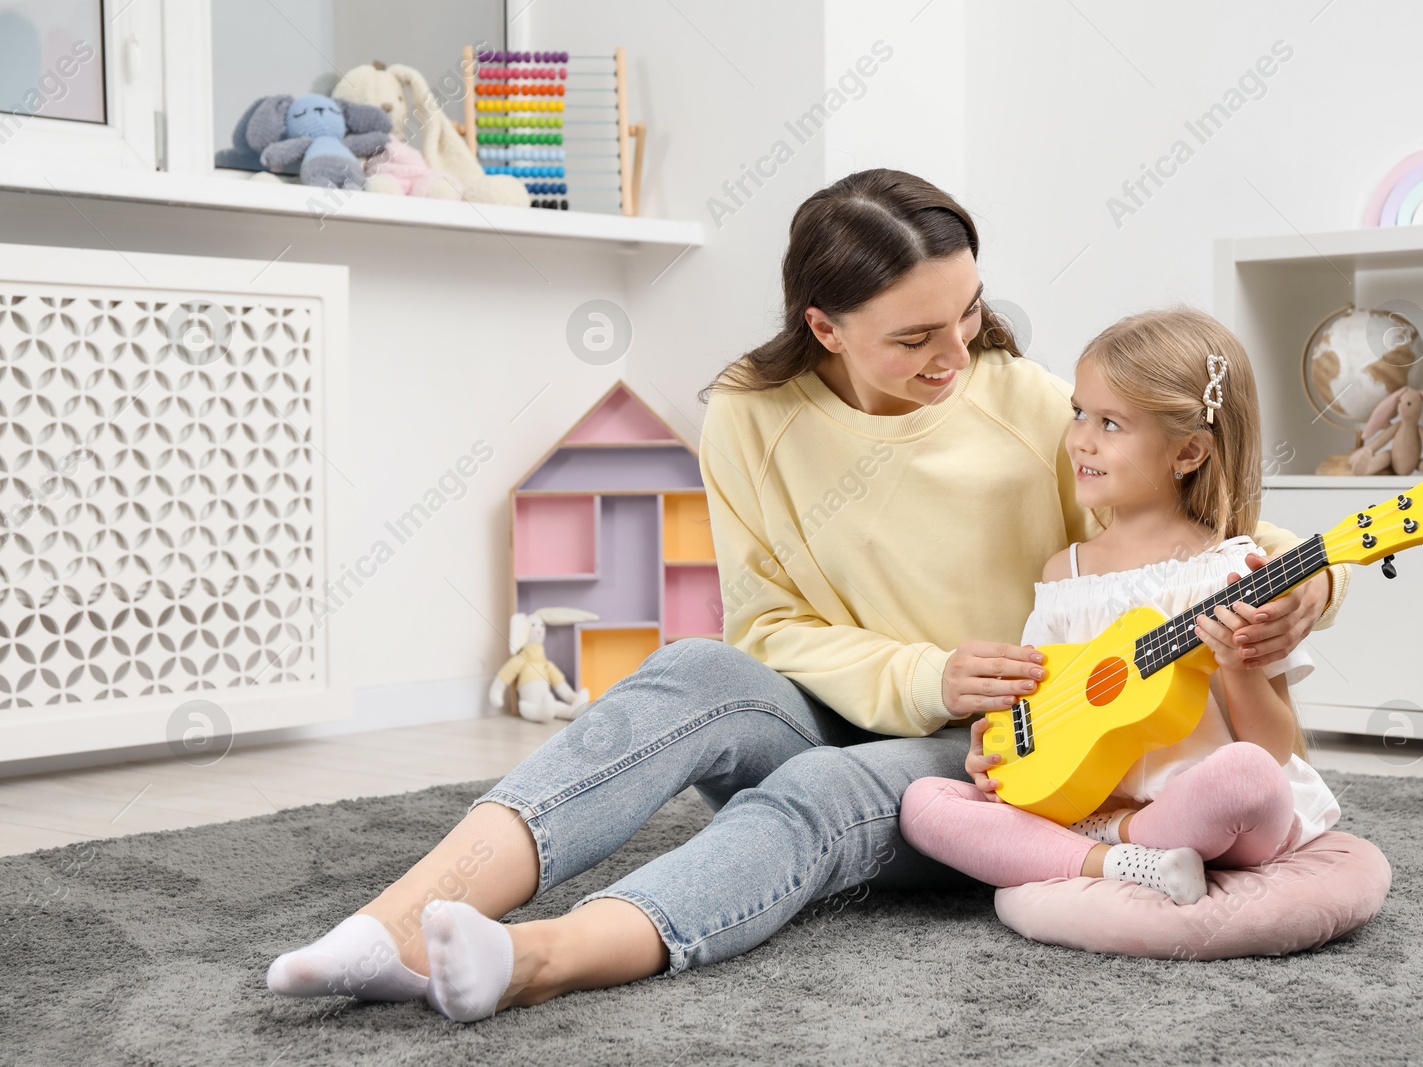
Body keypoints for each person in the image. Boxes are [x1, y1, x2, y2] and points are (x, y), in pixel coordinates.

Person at [263, 170, 1348, 1021]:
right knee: (689, 671)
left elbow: (1207, 528)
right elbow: (769, 623)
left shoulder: (1024, 399)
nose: (955, 354)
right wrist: (923, 671)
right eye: (915, 337)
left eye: (966, 315)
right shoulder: (751, 411)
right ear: (824, 327)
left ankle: (545, 957)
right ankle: (392, 923)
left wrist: (1316, 583)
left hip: (1002, 749)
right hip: (851, 697)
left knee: (827, 791)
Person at [899, 307, 1341, 908]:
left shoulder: (1230, 572)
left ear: (1188, 453)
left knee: (1249, 779)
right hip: (1084, 804)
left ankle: (1103, 851)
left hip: (1203, 807)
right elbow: (1038, 701)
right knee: (926, 804)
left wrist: (1236, 666)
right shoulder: (1066, 574)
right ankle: (1126, 858)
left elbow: (1272, 749)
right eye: (1079, 412)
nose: (1081, 437)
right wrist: (995, 746)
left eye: (1111, 423)